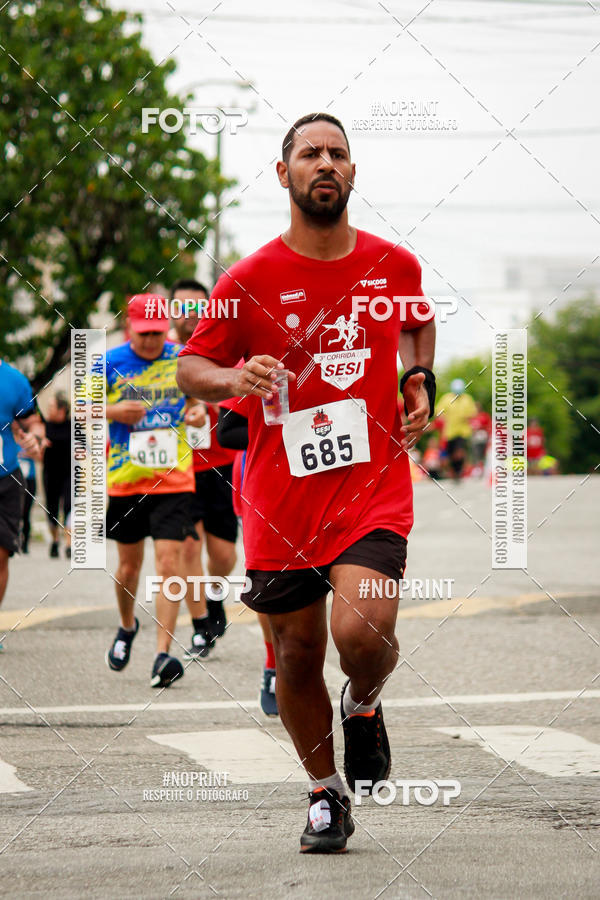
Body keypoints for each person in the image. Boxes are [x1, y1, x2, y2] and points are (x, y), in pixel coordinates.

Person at [177, 112, 436, 852]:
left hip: (371, 487)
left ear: (352, 173)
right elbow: (190, 367)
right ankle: (326, 796)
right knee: (295, 654)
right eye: (309, 153)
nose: (325, 163)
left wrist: (418, 377)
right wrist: (234, 375)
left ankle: (365, 701)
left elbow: (417, 323)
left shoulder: (394, 264)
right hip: (279, 497)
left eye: (339, 154)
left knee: (361, 631)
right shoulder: (247, 280)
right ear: (283, 173)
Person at [100, 294, 206, 687]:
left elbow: (197, 402)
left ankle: (163, 654)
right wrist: (114, 412)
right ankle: (127, 626)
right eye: (143, 334)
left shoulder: (181, 356)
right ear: (130, 328)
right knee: (129, 567)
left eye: (157, 334)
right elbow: (81, 406)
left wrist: (197, 412)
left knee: (168, 564)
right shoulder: (109, 361)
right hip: (127, 479)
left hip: (174, 477)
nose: (150, 342)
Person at [170, 278, 238, 647]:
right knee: (188, 548)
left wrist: (209, 405)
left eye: (197, 307)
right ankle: (199, 627)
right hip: (177, 469)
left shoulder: (224, 350)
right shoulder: (161, 358)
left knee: (224, 555)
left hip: (222, 465)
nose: (189, 316)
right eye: (182, 308)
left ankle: (214, 594)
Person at [217, 396, 278, 717]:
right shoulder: (252, 357)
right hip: (261, 477)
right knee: (267, 578)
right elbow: (227, 432)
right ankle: (273, 665)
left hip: (321, 473)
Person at [0, 359, 46, 649]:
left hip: (5, 477)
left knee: (1, 554)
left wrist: (35, 438)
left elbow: (34, 422)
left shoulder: (14, 380)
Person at [42, 391, 72, 558]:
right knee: (52, 510)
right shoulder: (44, 426)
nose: (49, 409)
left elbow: (84, 446)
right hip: (50, 475)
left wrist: (81, 451)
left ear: (62, 410)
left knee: (69, 508)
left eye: (52, 406)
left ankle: (68, 545)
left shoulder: (73, 426)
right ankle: (55, 541)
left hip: (69, 475)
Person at [435, 379, 477, 481]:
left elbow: (473, 413)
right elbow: (438, 412)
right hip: (449, 432)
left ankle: (460, 470)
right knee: (451, 453)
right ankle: (454, 471)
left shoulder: (467, 399)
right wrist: (443, 417)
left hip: (463, 431)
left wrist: (466, 417)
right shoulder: (446, 398)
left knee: (460, 451)